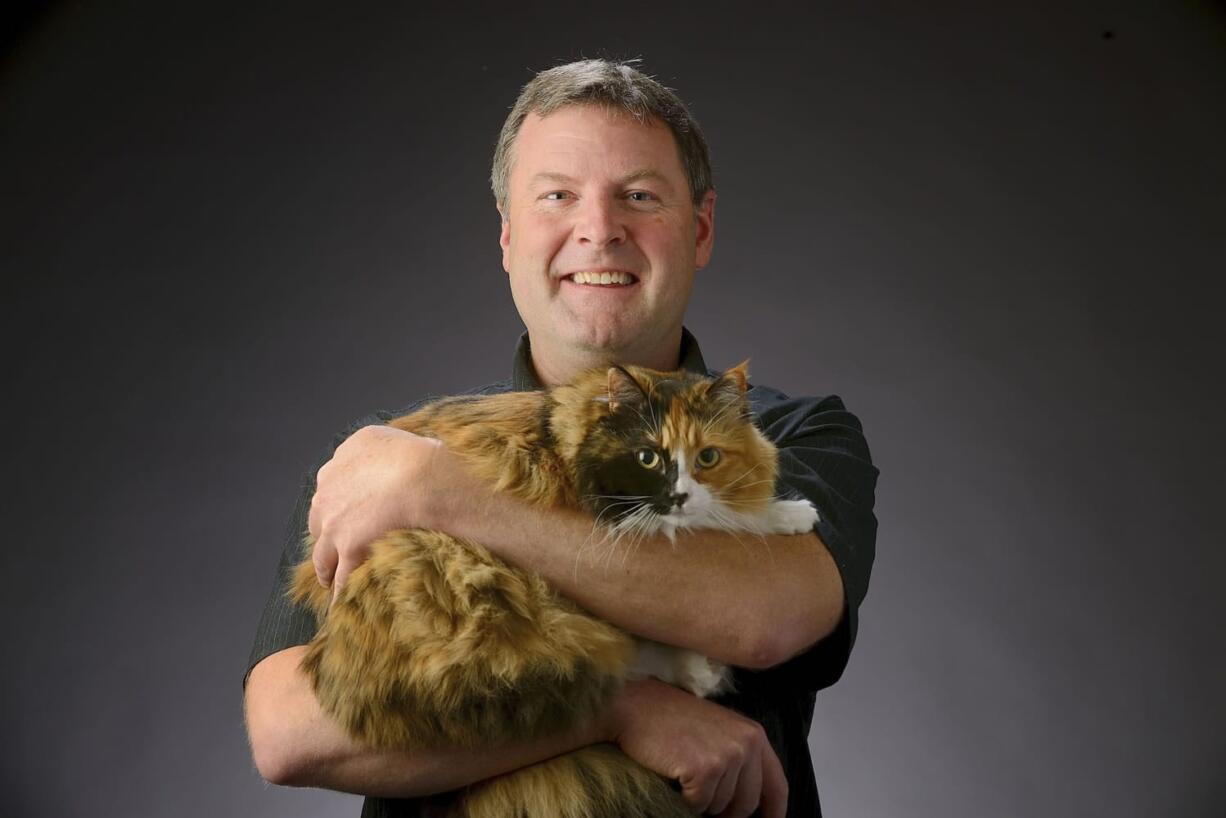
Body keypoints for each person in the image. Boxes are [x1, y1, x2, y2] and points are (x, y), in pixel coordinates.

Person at [243, 59, 878, 818]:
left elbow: (767, 617)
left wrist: (450, 498)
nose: (600, 230)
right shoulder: (389, 455)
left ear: (700, 229)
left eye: (639, 196)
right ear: (509, 237)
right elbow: (288, 733)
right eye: (557, 196)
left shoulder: (792, 433)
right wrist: (616, 709)